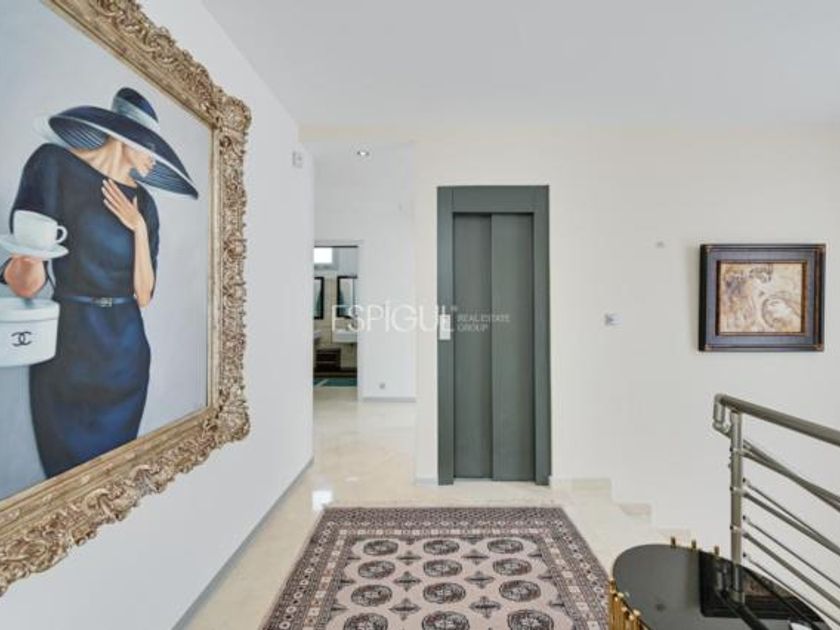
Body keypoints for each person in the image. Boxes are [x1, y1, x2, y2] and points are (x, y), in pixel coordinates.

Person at [1, 87, 198, 477]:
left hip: (125, 355)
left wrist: (138, 228)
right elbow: (26, 283)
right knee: (64, 476)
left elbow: (144, 295)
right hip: (69, 346)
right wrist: (28, 256)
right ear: (125, 139)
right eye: (149, 148)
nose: (153, 159)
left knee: (114, 477)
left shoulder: (146, 204)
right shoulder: (52, 164)